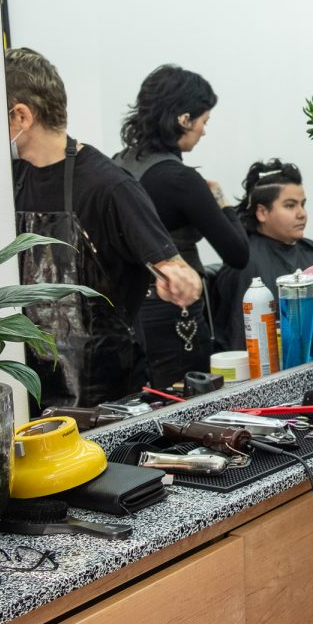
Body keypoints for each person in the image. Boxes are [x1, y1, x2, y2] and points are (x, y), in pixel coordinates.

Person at [5, 48, 201, 411]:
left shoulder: (109, 186)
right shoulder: (9, 179)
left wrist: (178, 276)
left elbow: (174, 266)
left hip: (106, 400)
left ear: (21, 116)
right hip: (30, 390)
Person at [114, 65, 249, 388]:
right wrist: (220, 199)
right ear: (184, 119)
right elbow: (237, 253)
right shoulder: (181, 181)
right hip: (173, 318)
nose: (204, 131)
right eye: (204, 121)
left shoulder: (116, 164)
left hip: (124, 318)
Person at [212, 159, 313, 351]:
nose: (302, 214)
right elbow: (239, 341)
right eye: (290, 206)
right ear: (262, 212)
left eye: (302, 204)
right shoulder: (245, 264)